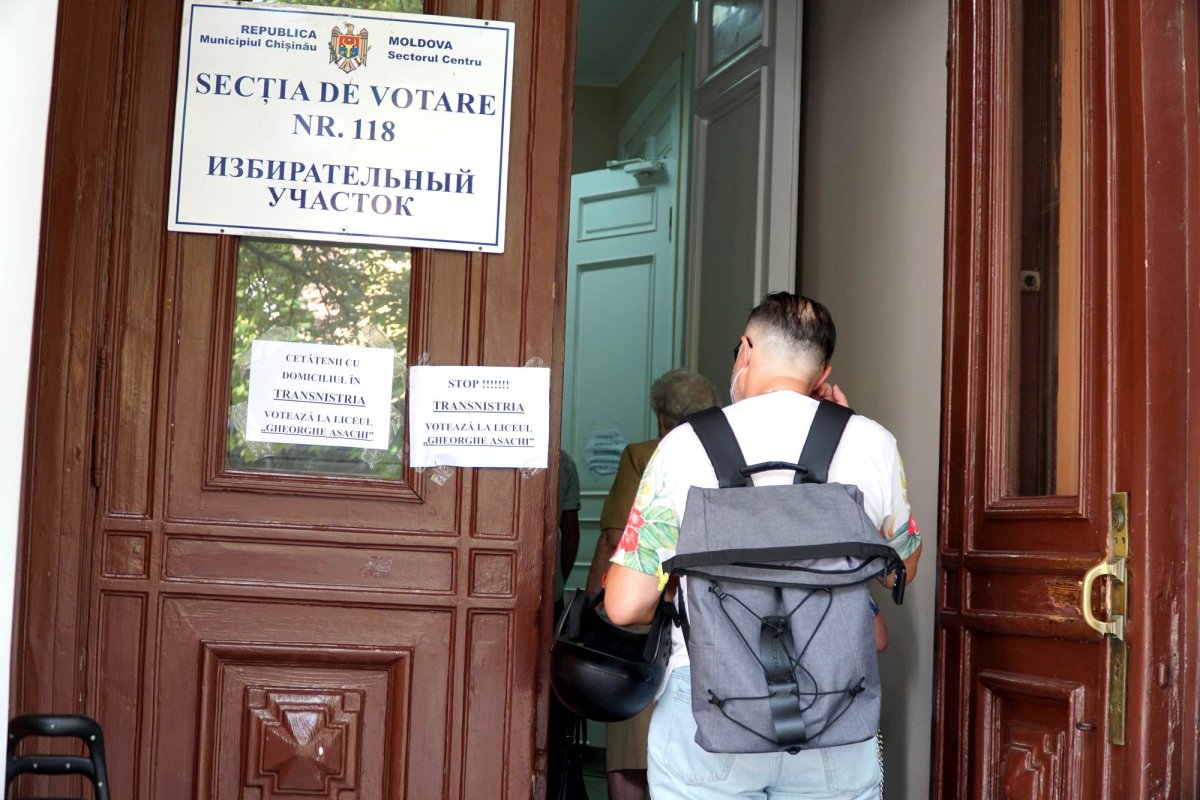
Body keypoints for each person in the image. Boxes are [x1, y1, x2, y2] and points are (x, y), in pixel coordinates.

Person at [604, 292, 922, 800]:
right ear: (823, 374)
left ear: (746, 351)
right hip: (836, 705)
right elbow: (898, 567)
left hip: (709, 703)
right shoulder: (871, 442)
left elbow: (624, 605)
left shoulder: (683, 446)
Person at [584, 369, 720, 800]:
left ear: (662, 418)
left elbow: (614, 537)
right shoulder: (729, 457)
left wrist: (593, 606)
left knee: (631, 746)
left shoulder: (644, 455)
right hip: (710, 624)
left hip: (647, 623)